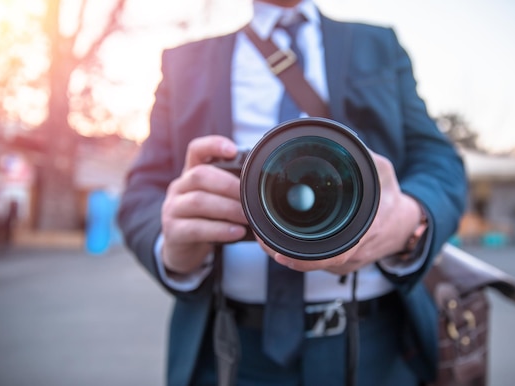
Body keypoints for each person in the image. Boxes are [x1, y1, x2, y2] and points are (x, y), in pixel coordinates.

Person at [117, 0, 467, 385]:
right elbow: (143, 191)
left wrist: (407, 220)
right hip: (226, 349)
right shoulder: (183, 62)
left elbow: (439, 160)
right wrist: (172, 246)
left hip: (376, 343)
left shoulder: (378, 45)